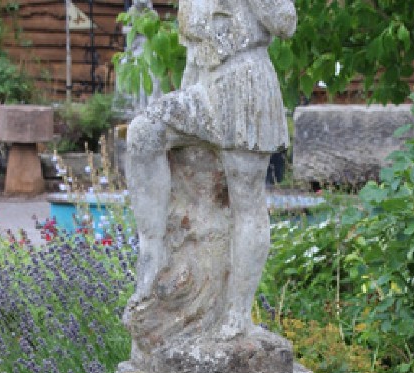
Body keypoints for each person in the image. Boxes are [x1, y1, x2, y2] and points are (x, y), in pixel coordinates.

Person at [125, 0, 297, 339]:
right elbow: (195, 49)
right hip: (203, 87)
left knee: (245, 199)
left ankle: (237, 312)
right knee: (144, 132)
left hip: (245, 85)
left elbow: (285, 21)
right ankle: (152, 249)